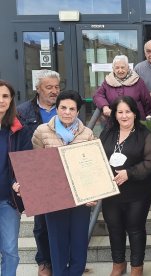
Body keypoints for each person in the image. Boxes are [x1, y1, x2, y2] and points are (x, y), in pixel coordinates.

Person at [30, 90, 96, 276]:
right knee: (57, 243)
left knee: (78, 242)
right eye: (63, 107)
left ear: (77, 112)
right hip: (53, 197)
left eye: (72, 109)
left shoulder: (87, 133)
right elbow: (35, 165)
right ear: (57, 109)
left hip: (80, 197)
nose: (67, 112)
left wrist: (94, 195)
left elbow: (94, 168)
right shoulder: (42, 131)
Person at [99, 96, 151, 276]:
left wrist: (129, 173)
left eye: (128, 111)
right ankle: (118, 264)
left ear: (134, 113)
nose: (124, 116)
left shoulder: (144, 134)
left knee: (135, 229)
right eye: (120, 112)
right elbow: (99, 157)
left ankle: (136, 267)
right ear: (114, 114)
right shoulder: (108, 133)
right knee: (114, 228)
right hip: (111, 191)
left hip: (137, 191)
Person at [17, 69, 61, 276]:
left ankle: (62, 259)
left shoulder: (65, 107)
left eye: (56, 87)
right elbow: (16, 144)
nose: (54, 91)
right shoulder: (22, 111)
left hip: (62, 173)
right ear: (38, 88)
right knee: (41, 224)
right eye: (48, 87)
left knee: (63, 222)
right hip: (36, 173)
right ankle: (44, 262)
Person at [0, 80, 32, 276]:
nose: (0, 100)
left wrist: (20, 183)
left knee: (10, 251)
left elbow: (26, 164)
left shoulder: (20, 130)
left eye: (5, 96)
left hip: (8, 202)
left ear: (11, 100)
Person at [93, 55, 151, 120]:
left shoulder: (138, 81)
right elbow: (97, 95)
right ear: (113, 68)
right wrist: (104, 106)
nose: (120, 70)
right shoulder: (108, 81)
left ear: (128, 68)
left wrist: (150, 118)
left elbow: (147, 102)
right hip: (114, 122)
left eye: (123, 67)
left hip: (136, 122)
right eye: (117, 68)